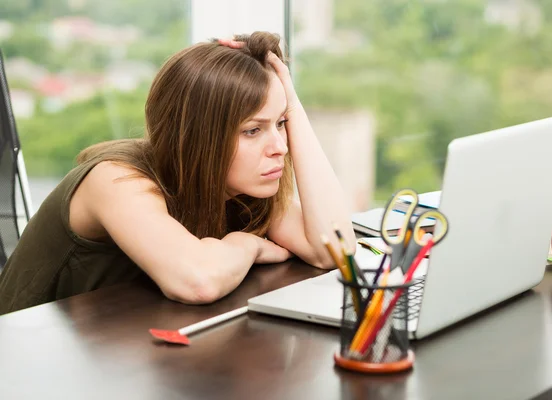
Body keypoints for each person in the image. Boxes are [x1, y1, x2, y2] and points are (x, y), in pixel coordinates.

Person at [0, 32, 356, 314]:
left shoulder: (243, 187)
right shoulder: (114, 178)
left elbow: (336, 250)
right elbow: (197, 281)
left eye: (281, 124)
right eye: (253, 130)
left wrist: (292, 103)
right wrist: (247, 245)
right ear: (197, 136)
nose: (281, 146)